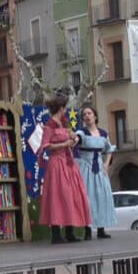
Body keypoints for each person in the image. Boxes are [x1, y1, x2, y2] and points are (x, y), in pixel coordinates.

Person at [38, 94, 92, 244]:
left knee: (71, 196)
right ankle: (56, 234)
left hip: (69, 163)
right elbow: (46, 146)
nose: (66, 110)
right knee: (57, 197)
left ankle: (70, 231)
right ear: (61, 108)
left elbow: (72, 137)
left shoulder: (64, 123)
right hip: (57, 164)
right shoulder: (50, 126)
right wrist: (64, 144)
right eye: (65, 108)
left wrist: (73, 139)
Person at [75, 106, 117, 240]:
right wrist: (74, 138)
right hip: (85, 168)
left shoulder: (103, 133)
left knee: (101, 197)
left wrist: (106, 164)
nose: (87, 116)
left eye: (89, 113)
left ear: (95, 116)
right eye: (84, 114)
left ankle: (101, 229)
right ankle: (87, 230)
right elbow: (77, 138)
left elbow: (109, 149)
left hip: (99, 168)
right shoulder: (82, 132)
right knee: (88, 198)